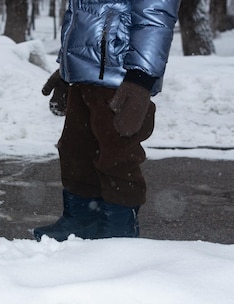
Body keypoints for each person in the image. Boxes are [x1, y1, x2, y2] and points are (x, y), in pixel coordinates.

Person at [34, 0, 181, 241]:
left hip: (120, 78)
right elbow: (78, 15)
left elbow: (156, 15)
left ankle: (119, 231)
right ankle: (81, 220)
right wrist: (67, 68)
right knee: (75, 151)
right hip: (85, 74)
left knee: (117, 157)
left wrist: (141, 78)